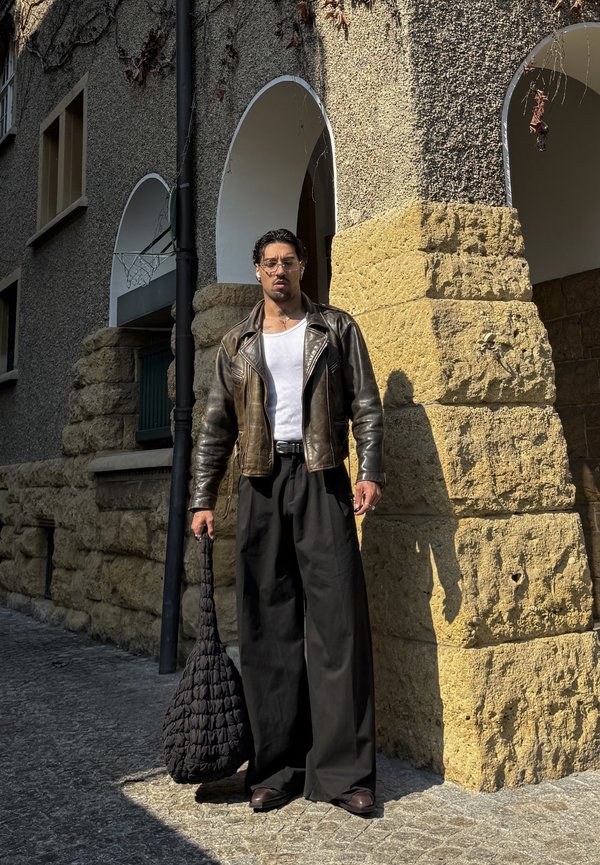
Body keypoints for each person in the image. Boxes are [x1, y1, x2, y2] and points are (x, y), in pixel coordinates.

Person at [190, 228, 384, 816]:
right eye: (270, 263)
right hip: (259, 483)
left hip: (323, 478)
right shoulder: (236, 342)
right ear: (257, 271)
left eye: (289, 262)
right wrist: (202, 497)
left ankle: (345, 775)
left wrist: (369, 470)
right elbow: (215, 425)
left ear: (302, 267)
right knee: (267, 627)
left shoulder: (336, 328)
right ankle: (276, 767)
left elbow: (367, 406)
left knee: (337, 623)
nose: (280, 271)